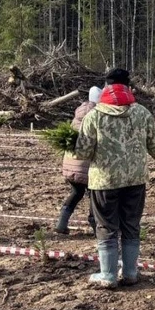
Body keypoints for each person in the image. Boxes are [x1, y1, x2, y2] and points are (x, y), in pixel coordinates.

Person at [74, 69, 155, 288]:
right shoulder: (142, 113)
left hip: (104, 181)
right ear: (128, 87)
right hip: (135, 180)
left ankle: (108, 275)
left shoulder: (94, 116)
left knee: (106, 226)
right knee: (131, 225)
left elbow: (82, 153)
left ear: (106, 87)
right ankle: (130, 273)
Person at [56, 86, 102, 234]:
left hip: (71, 163)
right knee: (95, 194)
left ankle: (61, 223)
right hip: (87, 166)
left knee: (76, 192)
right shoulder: (96, 117)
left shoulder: (77, 117)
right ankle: (95, 224)